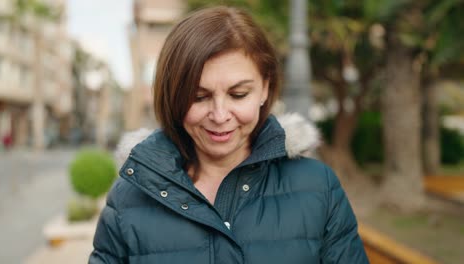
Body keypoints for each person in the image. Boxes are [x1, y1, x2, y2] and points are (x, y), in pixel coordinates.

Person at [89, 6, 369, 264]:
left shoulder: (319, 187)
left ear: (264, 89)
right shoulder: (129, 199)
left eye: (238, 94)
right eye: (199, 97)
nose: (220, 115)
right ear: (173, 98)